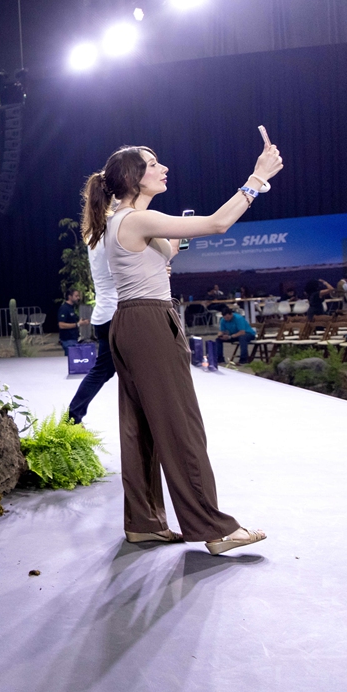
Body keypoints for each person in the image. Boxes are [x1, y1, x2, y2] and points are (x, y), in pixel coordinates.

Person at [80, 128, 281, 555]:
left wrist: (174, 243)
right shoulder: (135, 219)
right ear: (134, 178)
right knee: (180, 425)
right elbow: (217, 223)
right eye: (153, 164)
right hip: (149, 324)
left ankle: (144, 522)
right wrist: (257, 180)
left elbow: (167, 252)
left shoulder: (125, 220)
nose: (164, 168)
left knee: (142, 429)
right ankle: (213, 527)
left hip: (131, 323)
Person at [67, 218, 119, 425]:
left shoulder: (93, 235)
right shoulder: (116, 231)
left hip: (105, 314)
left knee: (103, 370)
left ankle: (73, 417)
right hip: (119, 314)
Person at [57, 289, 88, 355]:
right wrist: (77, 324)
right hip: (68, 340)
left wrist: (82, 322)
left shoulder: (72, 308)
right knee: (71, 360)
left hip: (73, 339)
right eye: (76, 296)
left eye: (78, 296)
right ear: (70, 296)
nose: (78, 298)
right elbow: (61, 325)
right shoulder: (64, 308)